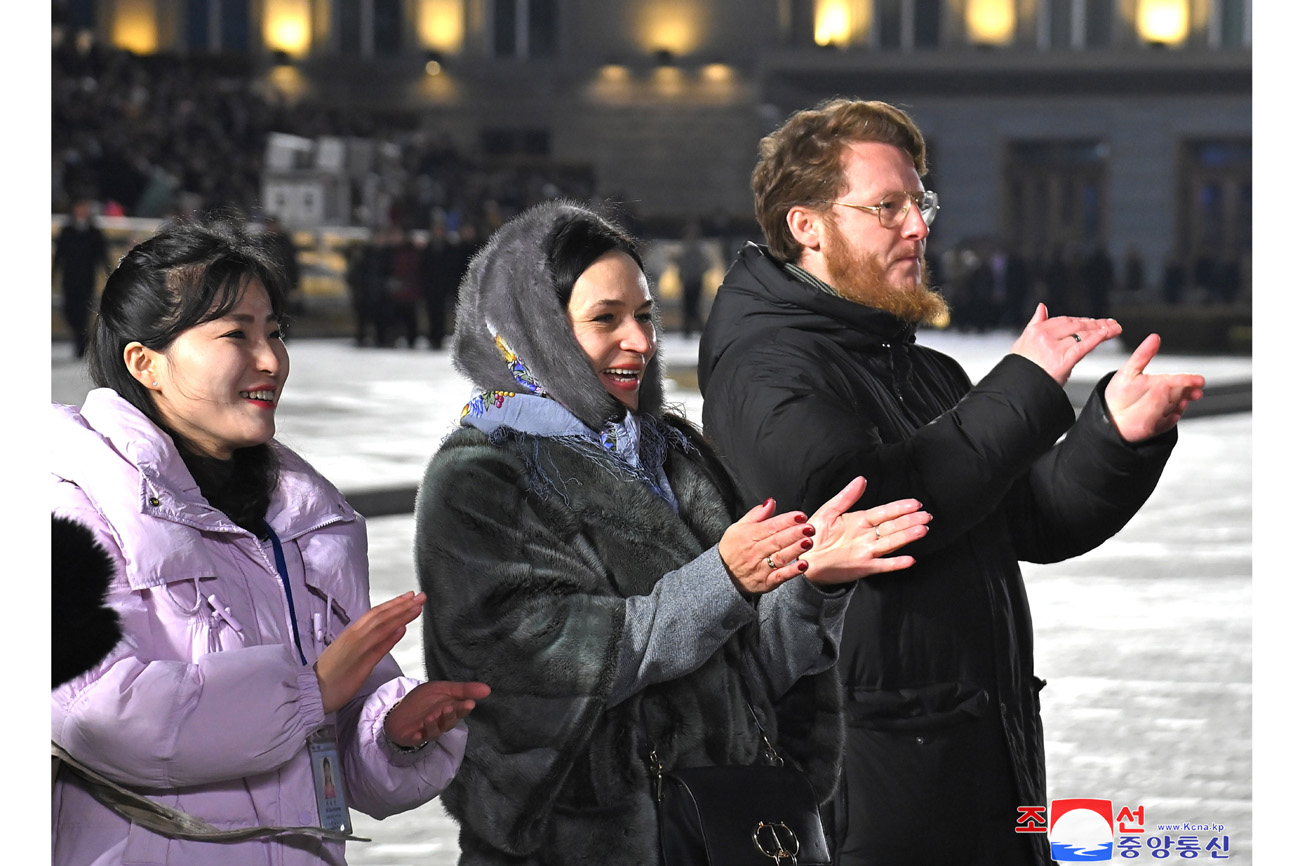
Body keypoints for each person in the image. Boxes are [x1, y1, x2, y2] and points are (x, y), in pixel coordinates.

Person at [696, 98, 1205, 866]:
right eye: (888, 206)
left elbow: (1027, 517)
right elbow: (876, 507)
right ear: (807, 225)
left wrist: (1113, 435)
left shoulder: (922, 368)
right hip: (874, 780)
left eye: (920, 202)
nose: (918, 225)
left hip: (980, 759)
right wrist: (1025, 385)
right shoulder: (767, 368)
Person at [413, 199, 933, 865]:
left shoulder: (673, 455)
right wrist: (723, 579)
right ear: (532, 331)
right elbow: (540, 670)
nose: (641, 340)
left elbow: (744, 674)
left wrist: (808, 587)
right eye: (606, 319)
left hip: (719, 831)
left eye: (645, 314)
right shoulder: (483, 480)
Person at [51, 215, 491, 866]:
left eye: (275, 332)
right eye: (236, 334)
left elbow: (336, 737)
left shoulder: (303, 516)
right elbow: (96, 712)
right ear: (145, 362)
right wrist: (310, 688)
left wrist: (393, 730)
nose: (271, 359)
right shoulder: (71, 499)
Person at [53, 198, 111, 358]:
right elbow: (59, 256)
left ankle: (80, 343)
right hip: (69, 279)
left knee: (83, 311)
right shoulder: (67, 231)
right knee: (69, 310)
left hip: (86, 279)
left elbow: (102, 256)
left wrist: (109, 273)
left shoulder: (94, 232)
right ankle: (80, 339)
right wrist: (53, 276)